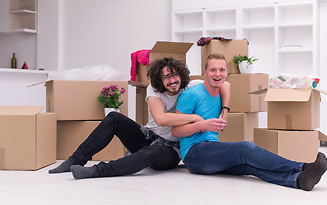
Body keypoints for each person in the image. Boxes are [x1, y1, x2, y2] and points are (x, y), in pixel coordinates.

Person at [172, 54, 327, 191]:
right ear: (205, 72)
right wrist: (203, 125)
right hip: (195, 155)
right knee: (246, 148)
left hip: (212, 149)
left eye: (221, 70)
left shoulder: (221, 91)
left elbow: (226, 86)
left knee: (250, 166)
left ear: (227, 73)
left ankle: (300, 180)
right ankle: (303, 166)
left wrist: (225, 110)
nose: (217, 74)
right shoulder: (191, 94)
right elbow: (175, 131)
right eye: (213, 70)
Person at [48, 57, 230, 179]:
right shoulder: (154, 89)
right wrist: (196, 118)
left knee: (153, 153)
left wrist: (225, 109)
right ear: (160, 80)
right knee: (114, 117)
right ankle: (75, 160)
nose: (172, 80)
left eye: (175, 75)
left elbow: (226, 84)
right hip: (147, 137)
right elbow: (160, 119)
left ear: (181, 75)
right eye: (166, 77)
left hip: (171, 151)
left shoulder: (191, 86)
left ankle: (96, 171)